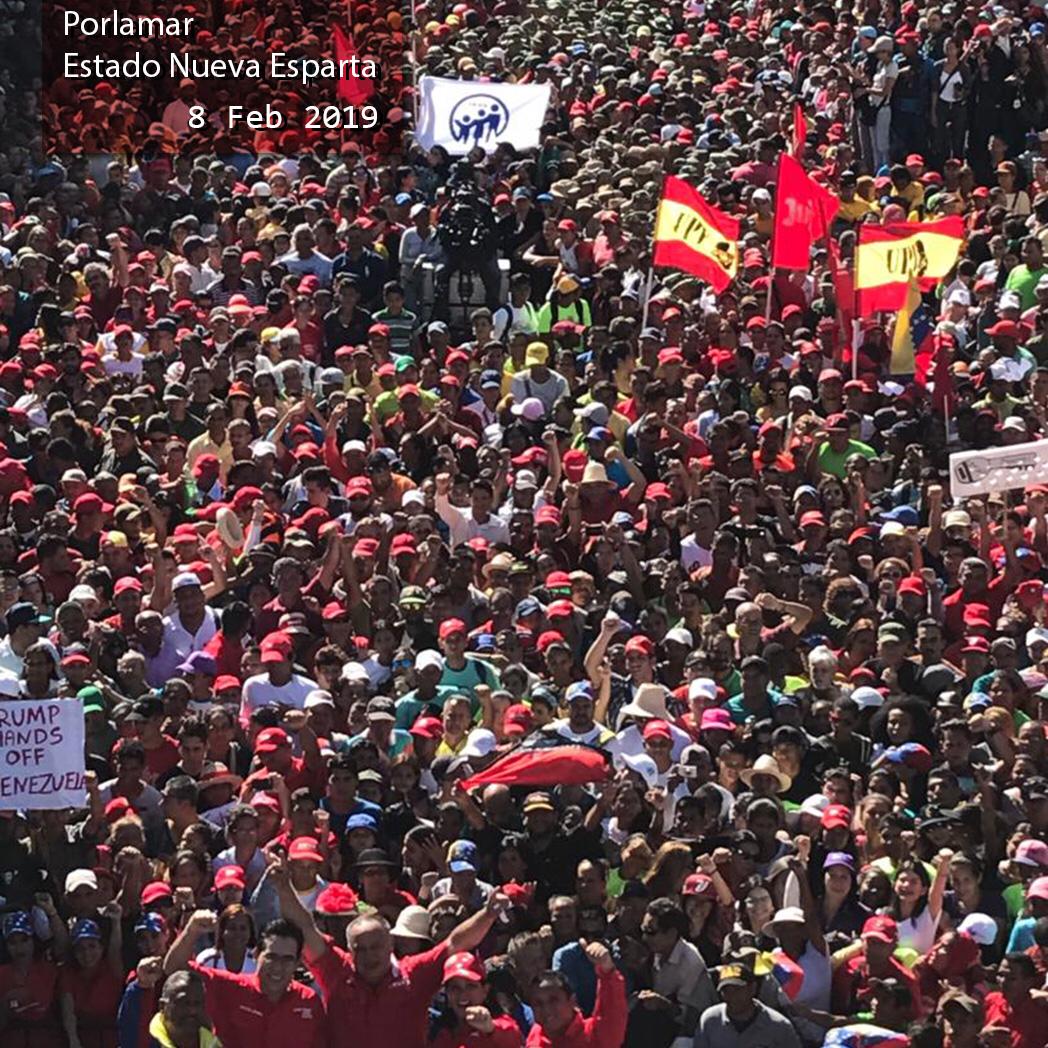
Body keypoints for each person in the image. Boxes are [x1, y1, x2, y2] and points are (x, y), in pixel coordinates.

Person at [163, 912, 327, 1048]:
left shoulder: (309, 1001)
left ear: (298, 963)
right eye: (271, 957)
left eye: (287, 959)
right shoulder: (229, 988)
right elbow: (174, 968)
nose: (278, 967)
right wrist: (191, 930)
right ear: (256, 955)